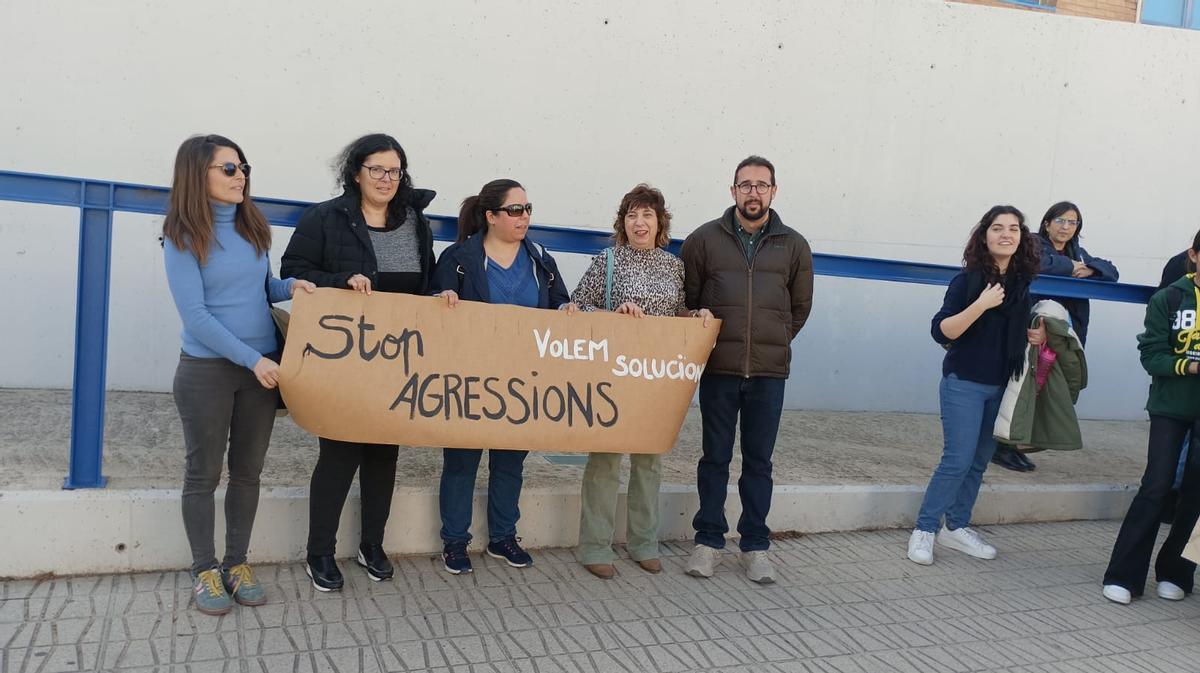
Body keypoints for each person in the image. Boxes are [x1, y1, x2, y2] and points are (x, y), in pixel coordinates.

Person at [163, 134, 315, 615]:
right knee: (202, 475)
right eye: (228, 169)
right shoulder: (182, 235)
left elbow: (258, 287)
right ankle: (204, 569)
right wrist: (254, 359)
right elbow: (197, 316)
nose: (240, 175)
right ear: (197, 175)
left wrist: (291, 285)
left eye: (243, 166)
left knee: (248, 474)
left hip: (259, 374)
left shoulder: (253, 227)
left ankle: (236, 563)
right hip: (209, 372)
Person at [280, 133, 437, 592]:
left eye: (395, 171)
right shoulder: (326, 218)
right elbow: (293, 272)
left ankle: (372, 544)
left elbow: (421, 284)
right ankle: (320, 552)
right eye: (377, 170)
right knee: (339, 453)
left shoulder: (414, 222)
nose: (387, 179)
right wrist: (340, 282)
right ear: (355, 172)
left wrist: (438, 298)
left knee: (384, 455)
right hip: (345, 358)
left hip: (397, 360)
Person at [562, 184, 713, 579]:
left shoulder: (673, 265)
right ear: (622, 222)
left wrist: (694, 316)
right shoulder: (608, 260)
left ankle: (644, 542)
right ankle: (595, 545)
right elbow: (574, 307)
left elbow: (676, 311)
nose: (639, 222)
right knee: (605, 462)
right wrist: (614, 314)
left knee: (649, 463)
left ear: (660, 222)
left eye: (647, 214)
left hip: (655, 380)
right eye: (632, 215)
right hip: (613, 377)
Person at [680, 156, 814, 583]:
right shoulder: (704, 240)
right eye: (745, 185)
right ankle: (708, 542)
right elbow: (690, 299)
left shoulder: (794, 245)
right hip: (719, 369)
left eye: (761, 185)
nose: (753, 192)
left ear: (774, 191)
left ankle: (755, 545)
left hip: (769, 373)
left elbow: (799, 308)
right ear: (732, 190)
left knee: (759, 462)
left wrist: (769, 340)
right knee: (714, 459)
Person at [430, 179, 570, 575]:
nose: (524, 217)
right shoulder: (458, 258)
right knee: (461, 462)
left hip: (524, 381)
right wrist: (442, 301)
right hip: (468, 380)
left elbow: (559, 301)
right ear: (490, 217)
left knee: (510, 462)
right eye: (515, 210)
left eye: (528, 209)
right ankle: (455, 542)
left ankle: (503, 537)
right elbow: (430, 307)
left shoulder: (540, 259)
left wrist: (566, 309)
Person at [907, 205, 1044, 566]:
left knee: (979, 462)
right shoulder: (967, 282)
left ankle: (956, 527)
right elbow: (941, 331)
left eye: (1014, 229)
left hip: (1001, 386)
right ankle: (924, 530)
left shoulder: (1021, 286)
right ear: (984, 235)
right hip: (964, 382)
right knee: (957, 460)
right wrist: (981, 304)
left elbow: (1010, 335)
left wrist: (1034, 334)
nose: (1006, 234)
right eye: (998, 227)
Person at [1101, 230, 1200, 605]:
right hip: (1170, 406)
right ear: (1194, 254)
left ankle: (1176, 571)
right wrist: (1188, 367)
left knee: (1196, 493)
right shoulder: (1169, 297)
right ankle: (1123, 575)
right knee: (1156, 486)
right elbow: (1151, 355)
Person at [993, 202, 1118, 472]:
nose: (1066, 227)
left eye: (1072, 223)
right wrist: (1073, 266)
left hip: (1062, 334)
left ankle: (1016, 443)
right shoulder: (1033, 245)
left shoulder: (1079, 253)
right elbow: (1040, 264)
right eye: (1060, 220)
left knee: (1041, 388)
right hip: (1032, 330)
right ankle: (1001, 446)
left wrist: (1092, 269)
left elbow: (1111, 271)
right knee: (1019, 385)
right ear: (1047, 223)